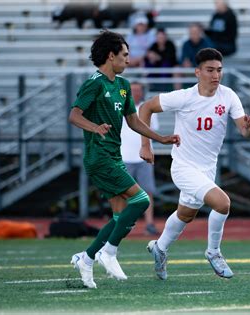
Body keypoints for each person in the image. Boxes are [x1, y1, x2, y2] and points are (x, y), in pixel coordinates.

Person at [69, 30, 180, 289]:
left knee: (120, 216)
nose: (129, 60)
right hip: (98, 157)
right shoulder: (94, 83)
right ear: (111, 56)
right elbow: (74, 115)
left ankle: (87, 257)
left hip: (114, 156)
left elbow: (133, 120)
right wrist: (94, 127)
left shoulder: (123, 86)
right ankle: (108, 251)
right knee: (141, 200)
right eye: (125, 55)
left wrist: (159, 138)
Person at [139, 48, 250, 280]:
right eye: (210, 70)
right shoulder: (184, 97)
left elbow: (244, 131)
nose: (216, 75)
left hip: (207, 169)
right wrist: (146, 145)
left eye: (219, 70)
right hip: (183, 167)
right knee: (222, 204)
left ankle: (160, 248)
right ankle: (213, 252)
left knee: (185, 215)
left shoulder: (229, 96)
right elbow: (145, 108)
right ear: (197, 72)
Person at [120, 82, 160, 236]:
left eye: (138, 90)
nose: (136, 93)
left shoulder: (148, 108)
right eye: (133, 90)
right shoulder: (121, 107)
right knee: (123, 192)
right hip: (124, 156)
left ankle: (149, 223)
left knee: (147, 191)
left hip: (144, 157)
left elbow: (152, 131)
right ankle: (121, 224)